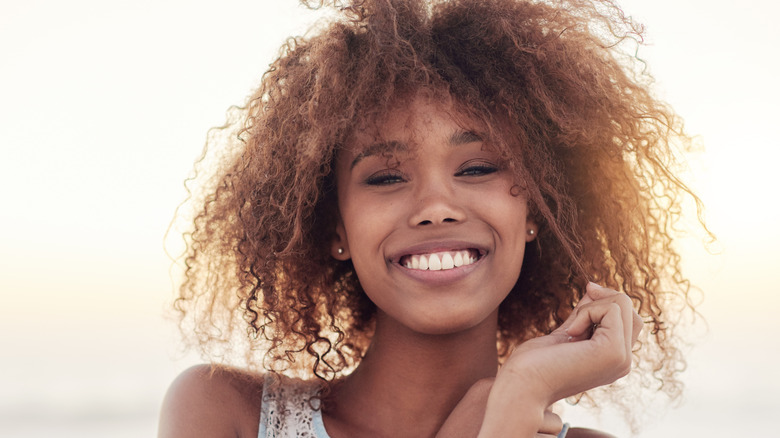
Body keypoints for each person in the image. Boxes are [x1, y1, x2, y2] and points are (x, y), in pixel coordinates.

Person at [158, 0, 703, 436]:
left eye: (479, 167)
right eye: (386, 177)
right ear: (334, 227)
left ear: (537, 209)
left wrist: (519, 394)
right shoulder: (225, 415)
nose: (437, 206)